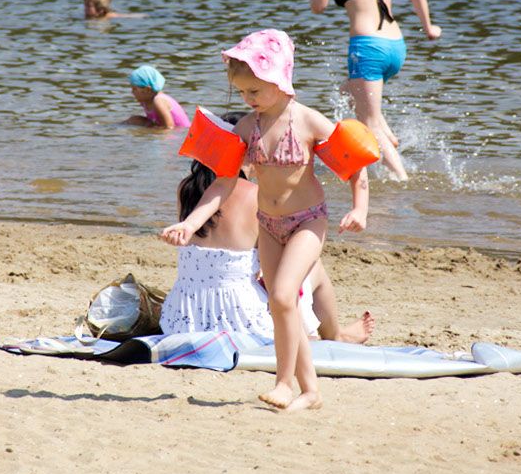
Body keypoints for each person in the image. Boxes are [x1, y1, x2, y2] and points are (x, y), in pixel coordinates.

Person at [161, 29, 370, 413]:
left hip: (307, 221)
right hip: (269, 225)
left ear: (279, 80)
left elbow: (354, 165)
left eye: (254, 92)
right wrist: (190, 225)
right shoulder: (247, 128)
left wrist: (359, 209)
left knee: (281, 296)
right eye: (242, 93)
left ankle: (284, 384)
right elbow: (222, 185)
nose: (247, 100)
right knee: (282, 306)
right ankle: (311, 391)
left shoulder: (308, 121)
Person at [160, 146, 374, 343]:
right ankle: (335, 336)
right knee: (312, 267)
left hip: (183, 315)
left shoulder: (186, 188)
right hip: (237, 315)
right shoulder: (256, 195)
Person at [311, 0, 442, 181]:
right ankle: (389, 137)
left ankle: (401, 179)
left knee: (366, 120)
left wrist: (317, 2)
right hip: (396, 47)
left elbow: (320, 5)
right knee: (348, 92)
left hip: (368, 48)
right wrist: (429, 28)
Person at [125, 65, 190, 129]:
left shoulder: (159, 101)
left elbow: (169, 127)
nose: (132, 92)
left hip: (183, 133)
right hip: (162, 125)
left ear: (147, 90)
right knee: (134, 120)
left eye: (134, 89)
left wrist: (149, 133)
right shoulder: (145, 101)